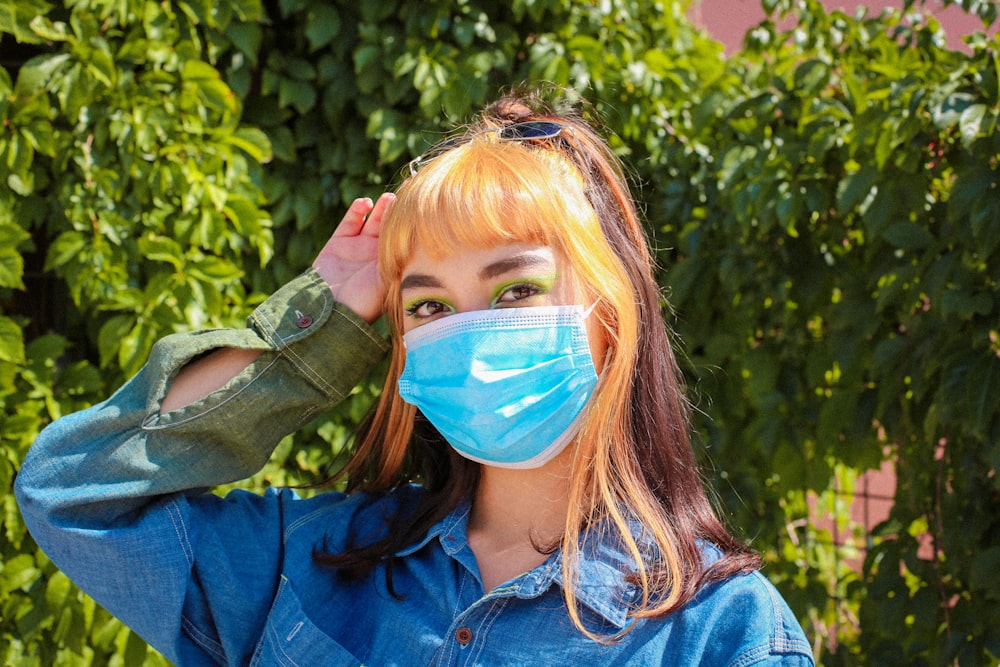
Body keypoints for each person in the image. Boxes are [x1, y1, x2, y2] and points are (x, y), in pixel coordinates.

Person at [15, 91, 815, 666]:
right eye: (429, 304)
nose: (469, 331)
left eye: (516, 290)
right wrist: (320, 323)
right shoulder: (312, 559)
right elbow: (73, 490)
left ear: (612, 312)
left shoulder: (726, 636)